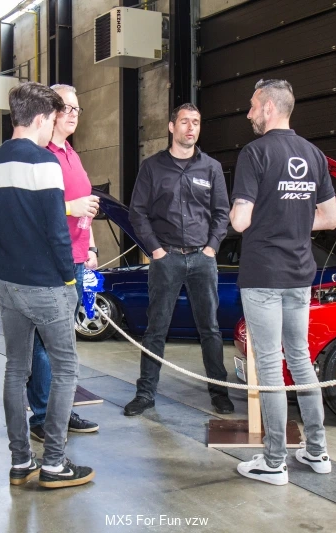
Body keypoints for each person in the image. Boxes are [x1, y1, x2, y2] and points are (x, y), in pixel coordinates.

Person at [0, 81, 94, 489]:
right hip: (47, 284)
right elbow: (57, 232)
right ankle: (55, 463)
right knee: (65, 368)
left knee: (16, 369)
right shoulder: (44, 162)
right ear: (43, 119)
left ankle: (20, 462)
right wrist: (68, 278)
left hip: (7, 282)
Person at [230, 79, 336, 486]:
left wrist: (257, 216)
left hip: (263, 273)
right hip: (299, 274)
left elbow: (240, 220)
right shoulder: (314, 154)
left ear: (269, 108)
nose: (248, 113)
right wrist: (292, 221)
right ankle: (317, 451)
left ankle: (274, 461)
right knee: (300, 358)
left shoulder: (255, 152)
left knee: (269, 365)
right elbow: (330, 218)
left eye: (252, 105)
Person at [125, 103, 234, 417]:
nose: (191, 128)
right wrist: (156, 250)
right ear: (172, 127)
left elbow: (221, 213)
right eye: (185, 122)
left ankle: (219, 393)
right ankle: (145, 394)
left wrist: (212, 247)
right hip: (166, 259)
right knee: (156, 329)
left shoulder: (211, 168)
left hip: (203, 259)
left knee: (210, 329)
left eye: (196, 122)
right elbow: (138, 212)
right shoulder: (152, 167)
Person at [25, 84, 100, 442]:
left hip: (77, 260)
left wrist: (92, 248)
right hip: (51, 262)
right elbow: (31, 210)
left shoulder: (72, 154)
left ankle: (61, 411)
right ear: (50, 112)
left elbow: (87, 207)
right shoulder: (41, 155)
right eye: (65, 107)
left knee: (64, 345)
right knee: (45, 344)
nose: (72, 114)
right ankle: (42, 417)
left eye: (76, 109)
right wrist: (71, 208)